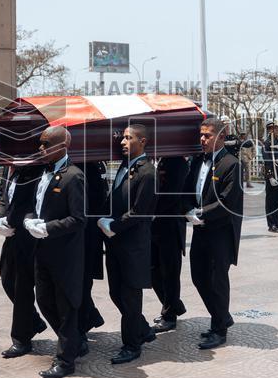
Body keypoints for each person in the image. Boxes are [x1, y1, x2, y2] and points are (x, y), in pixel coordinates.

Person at [24, 127, 86, 378]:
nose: (41, 148)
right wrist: (29, 219)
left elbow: (78, 219)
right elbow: (36, 206)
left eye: (46, 144)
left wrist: (48, 228)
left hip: (64, 253)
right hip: (42, 250)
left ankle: (65, 360)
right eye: (40, 143)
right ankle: (73, 342)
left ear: (62, 146)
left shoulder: (74, 176)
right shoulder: (44, 173)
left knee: (66, 307)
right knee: (44, 300)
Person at [99, 125, 158, 364]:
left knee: (130, 296)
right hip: (116, 242)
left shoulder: (147, 172)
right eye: (122, 137)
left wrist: (113, 225)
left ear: (142, 141)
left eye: (128, 138)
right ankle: (142, 329)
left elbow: (140, 212)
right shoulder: (126, 165)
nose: (122, 142)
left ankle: (132, 346)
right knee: (116, 293)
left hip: (133, 244)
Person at [184, 117, 243, 350]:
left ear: (221, 136)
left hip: (220, 231)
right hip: (200, 228)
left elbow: (227, 201)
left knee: (217, 280)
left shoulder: (232, 164)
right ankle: (222, 316)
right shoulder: (198, 160)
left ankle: (219, 329)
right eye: (201, 134)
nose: (202, 139)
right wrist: (188, 209)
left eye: (207, 135)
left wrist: (201, 213)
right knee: (198, 276)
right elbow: (188, 190)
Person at [0, 164, 48, 359]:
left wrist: (26, 221)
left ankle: (21, 338)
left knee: (22, 286)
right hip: (12, 232)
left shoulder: (37, 168)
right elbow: (3, 196)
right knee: (7, 279)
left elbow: (38, 201)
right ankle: (33, 321)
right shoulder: (10, 168)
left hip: (30, 233)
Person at [150, 155, 190, 332]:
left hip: (170, 226)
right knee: (152, 271)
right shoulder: (155, 160)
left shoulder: (177, 162)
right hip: (154, 225)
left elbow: (173, 195)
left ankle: (169, 315)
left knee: (170, 273)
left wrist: (148, 209)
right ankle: (174, 305)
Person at [75, 161, 108, 345]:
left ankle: (81, 326)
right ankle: (90, 316)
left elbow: (96, 199)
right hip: (86, 230)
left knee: (81, 281)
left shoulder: (88, 168)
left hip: (86, 232)